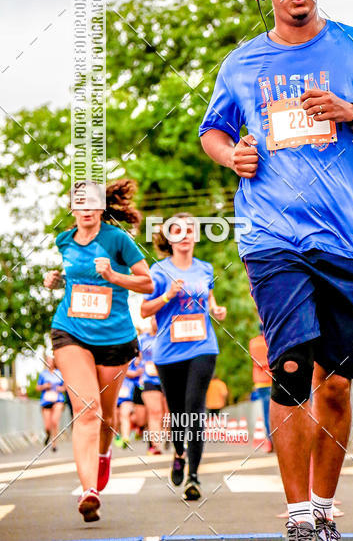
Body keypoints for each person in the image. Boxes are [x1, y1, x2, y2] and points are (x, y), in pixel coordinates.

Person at [199, 0, 353, 541]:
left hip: (342, 238)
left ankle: (322, 502)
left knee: (338, 384)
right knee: (289, 363)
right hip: (271, 235)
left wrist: (352, 114)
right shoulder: (241, 64)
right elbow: (213, 132)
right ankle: (296, 515)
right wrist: (230, 156)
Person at [43, 179, 153, 524]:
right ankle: (89, 491)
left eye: (93, 203)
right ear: (72, 208)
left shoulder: (117, 239)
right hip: (70, 331)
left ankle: (104, 454)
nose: (87, 209)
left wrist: (115, 276)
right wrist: (58, 279)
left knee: (105, 415)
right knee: (86, 408)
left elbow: (148, 282)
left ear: (102, 207)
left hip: (115, 338)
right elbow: (77, 277)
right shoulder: (64, 240)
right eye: (80, 203)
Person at [140, 212, 227, 501]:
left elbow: (210, 297)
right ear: (169, 238)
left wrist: (216, 310)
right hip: (167, 350)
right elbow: (144, 310)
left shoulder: (205, 268)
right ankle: (178, 453)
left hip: (203, 346)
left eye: (190, 229)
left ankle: (194, 476)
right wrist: (168, 296)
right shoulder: (158, 271)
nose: (186, 234)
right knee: (177, 413)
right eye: (178, 230)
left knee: (194, 408)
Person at [139, 318, 166, 455]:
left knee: (167, 414)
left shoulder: (168, 334)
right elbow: (135, 357)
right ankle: (155, 445)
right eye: (153, 318)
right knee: (155, 412)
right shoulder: (143, 339)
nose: (156, 321)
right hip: (149, 379)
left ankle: (169, 437)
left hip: (167, 377)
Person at [249, 329, 273, 452]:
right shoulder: (270, 340)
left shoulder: (253, 343)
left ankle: (270, 441)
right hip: (274, 379)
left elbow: (254, 359)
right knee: (278, 411)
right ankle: (279, 439)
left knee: (266, 413)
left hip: (261, 381)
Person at [37, 354, 65, 451]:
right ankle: (48, 434)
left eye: (51, 360)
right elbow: (37, 387)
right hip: (46, 400)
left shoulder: (60, 373)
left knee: (55, 422)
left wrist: (60, 388)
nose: (49, 362)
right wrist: (44, 386)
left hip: (58, 399)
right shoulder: (43, 374)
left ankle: (54, 444)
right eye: (47, 361)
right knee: (47, 426)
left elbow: (66, 387)